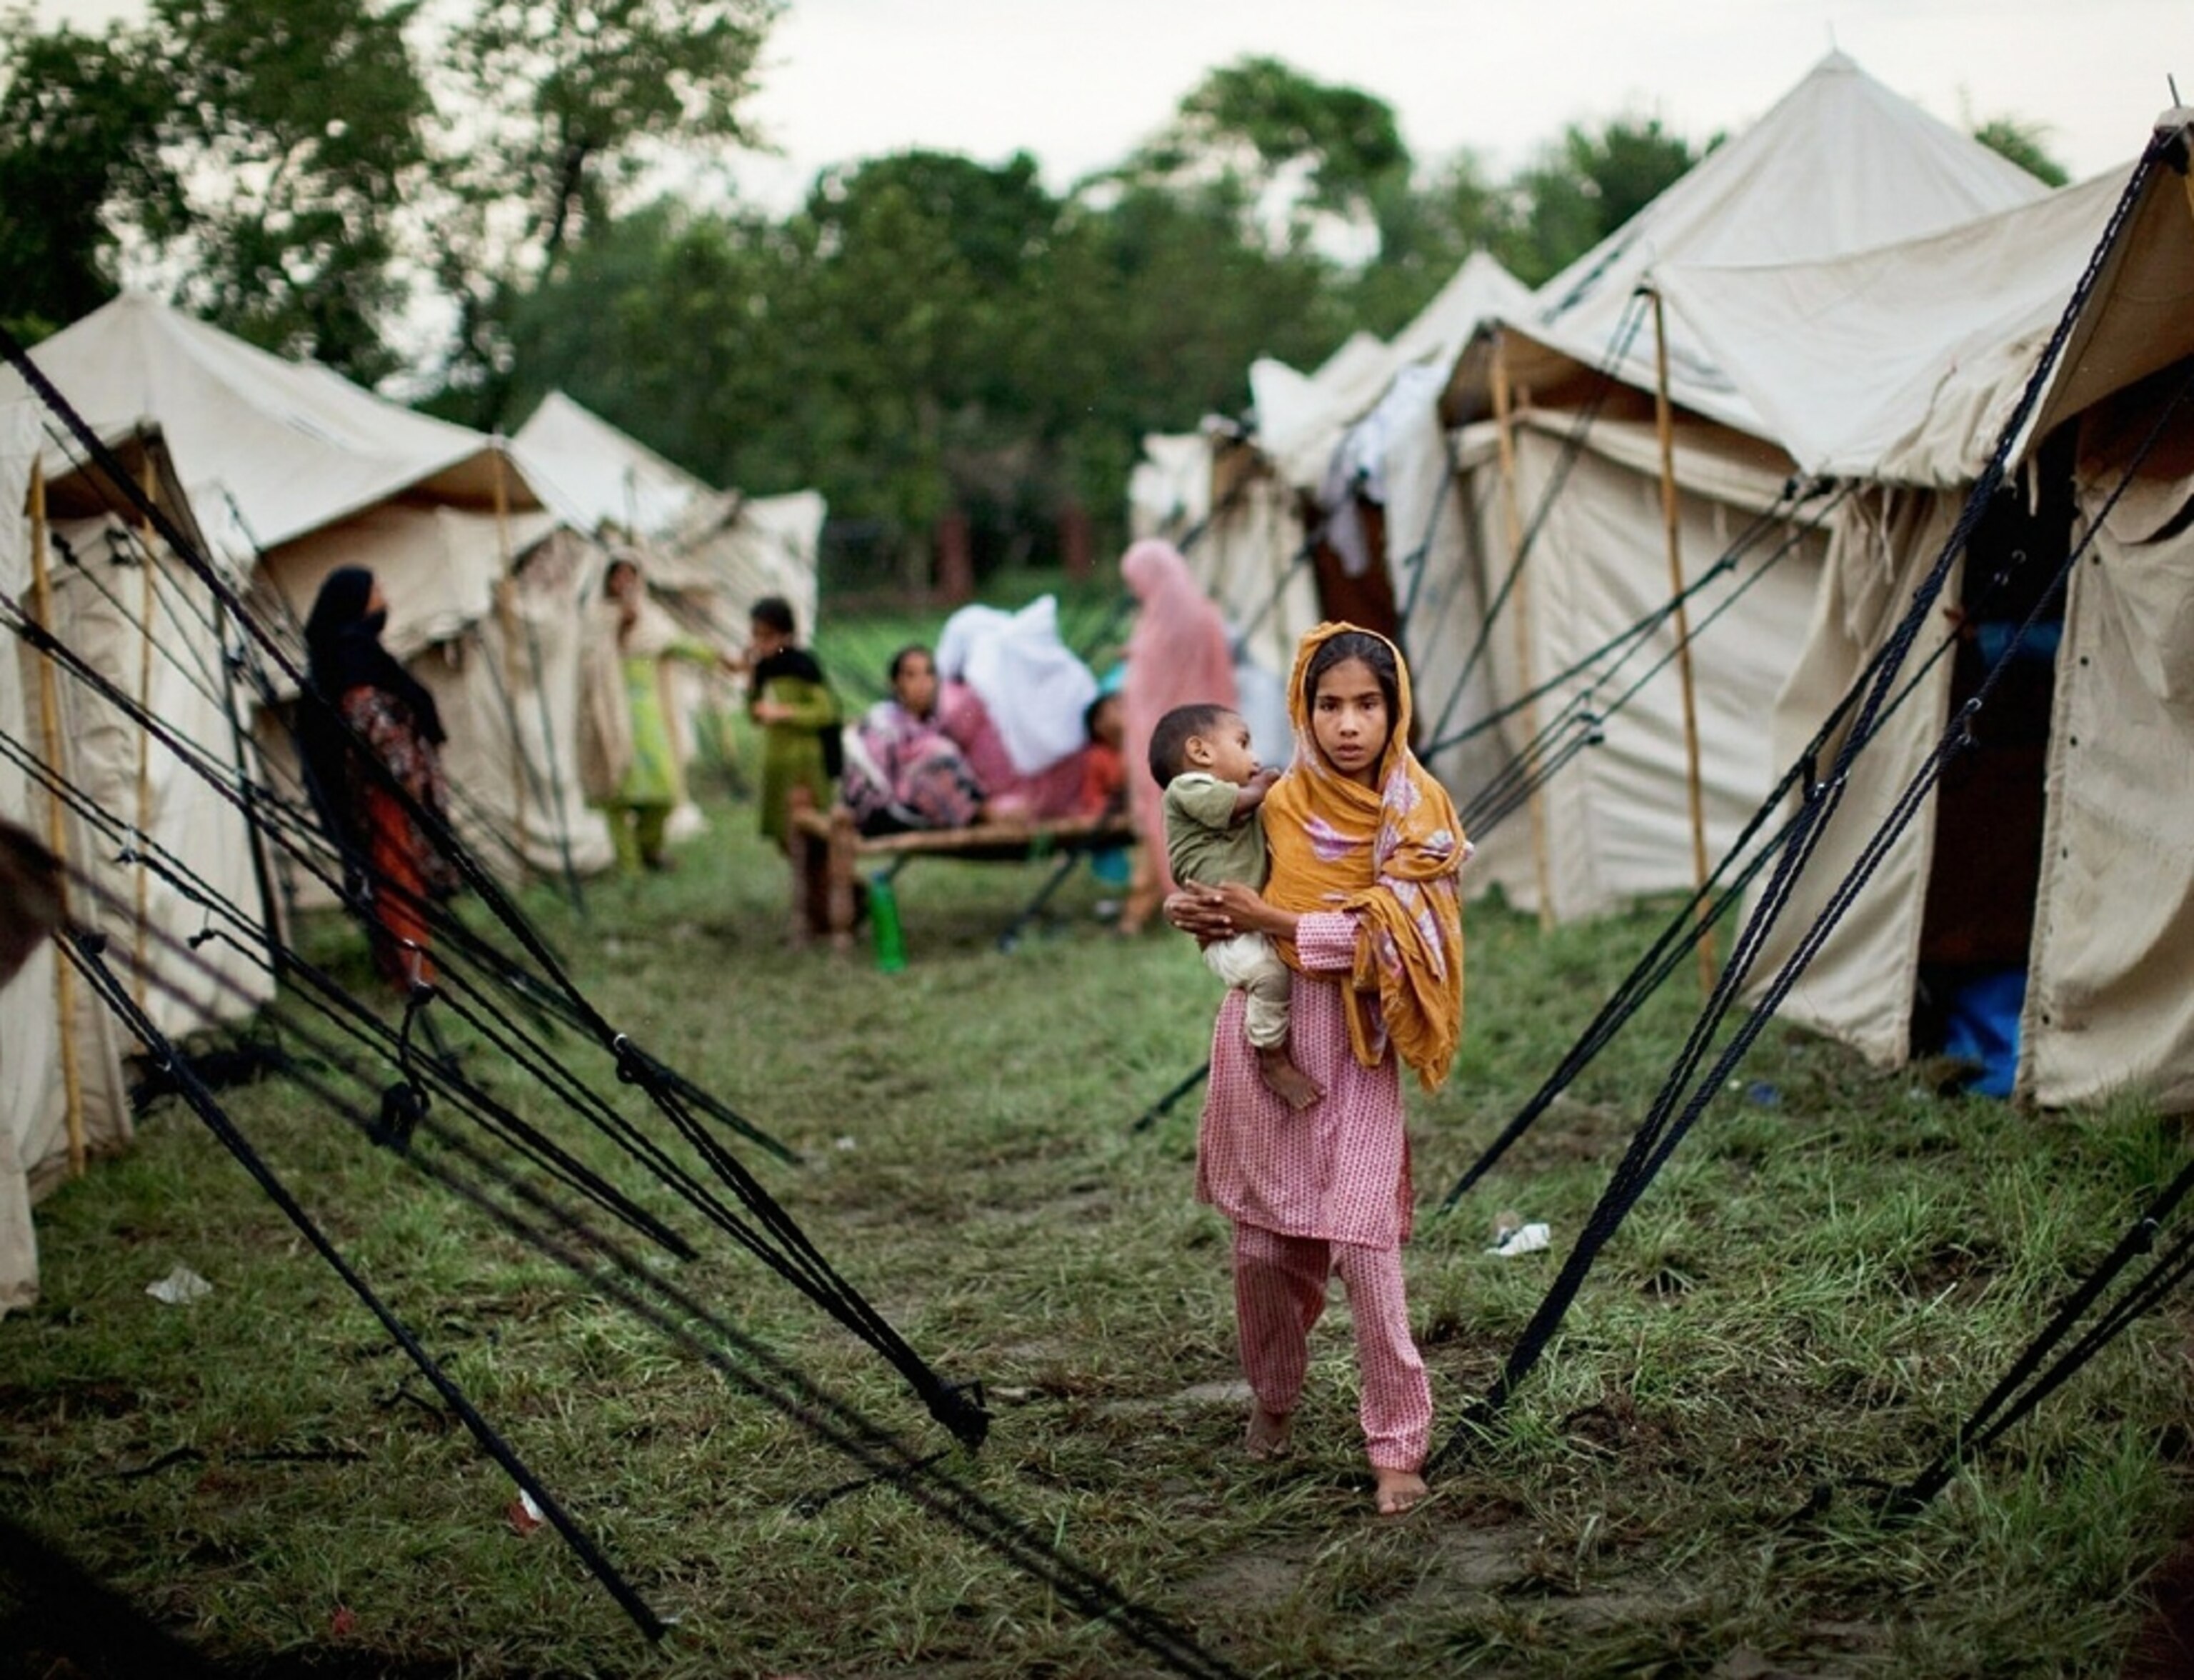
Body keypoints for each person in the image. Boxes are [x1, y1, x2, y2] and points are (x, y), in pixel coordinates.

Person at [1163, 623, 1467, 1517]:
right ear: (1303, 708)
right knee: (1266, 1252)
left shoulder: (1421, 817)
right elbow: (1212, 877)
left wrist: (1284, 922)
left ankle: (1397, 1445)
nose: (1347, 723)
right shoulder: (1278, 802)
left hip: (1360, 1046)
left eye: (1366, 704)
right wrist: (1207, 911)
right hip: (1269, 1045)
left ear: (1395, 709)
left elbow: (1399, 935)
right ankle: (1275, 1399)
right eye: (1328, 704)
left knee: (1366, 1249)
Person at [1148, 701, 1321, 1111]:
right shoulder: (1188, 789)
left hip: (1253, 919)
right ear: (1201, 752)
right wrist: (1264, 788)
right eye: (1243, 744)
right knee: (1267, 974)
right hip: (1227, 931)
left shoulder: (1238, 802)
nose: (1255, 758)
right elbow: (1232, 805)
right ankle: (1271, 1056)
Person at [296, 566, 460, 993]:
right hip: (384, 792)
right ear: (357, 601)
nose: (384, 597)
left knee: (398, 877)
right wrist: (405, 776)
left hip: (386, 788)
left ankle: (404, 964)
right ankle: (411, 971)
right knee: (397, 876)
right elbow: (368, 719)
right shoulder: (352, 657)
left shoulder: (350, 652)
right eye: (376, 590)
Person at [1118, 539, 1237, 934]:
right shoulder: (1203, 616)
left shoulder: (1160, 624)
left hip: (1160, 739)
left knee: (1163, 818)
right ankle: (1161, 903)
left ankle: (1156, 906)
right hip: (1198, 736)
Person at [597, 555, 731, 874]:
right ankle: (629, 867)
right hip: (607, 711)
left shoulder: (651, 618)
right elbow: (592, 657)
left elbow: (678, 643)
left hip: (647, 713)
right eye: (619, 576)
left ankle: (649, 849)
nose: (626, 583)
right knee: (616, 795)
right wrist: (620, 626)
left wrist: (719, 658)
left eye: (632, 576)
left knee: (663, 792)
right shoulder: (595, 618)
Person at [841, 644, 988, 836]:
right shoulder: (884, 720)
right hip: (881, 812)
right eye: (911, 676)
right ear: (895, 683)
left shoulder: (932, 723)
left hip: (912, 807)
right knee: (938, 752)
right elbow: (875, 781)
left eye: (929, 674)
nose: (922, 683)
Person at [742, 595, 840, 851]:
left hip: (805, 763)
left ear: (786, 636)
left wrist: (785, 712)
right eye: (756, 636)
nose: (759, 644)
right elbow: (753, 715)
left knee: (812, 835)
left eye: (767, 636)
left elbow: (826, 711)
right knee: (783, 836)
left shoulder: (802, 664)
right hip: (777, 762)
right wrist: (751, 683)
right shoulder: (764, 668)